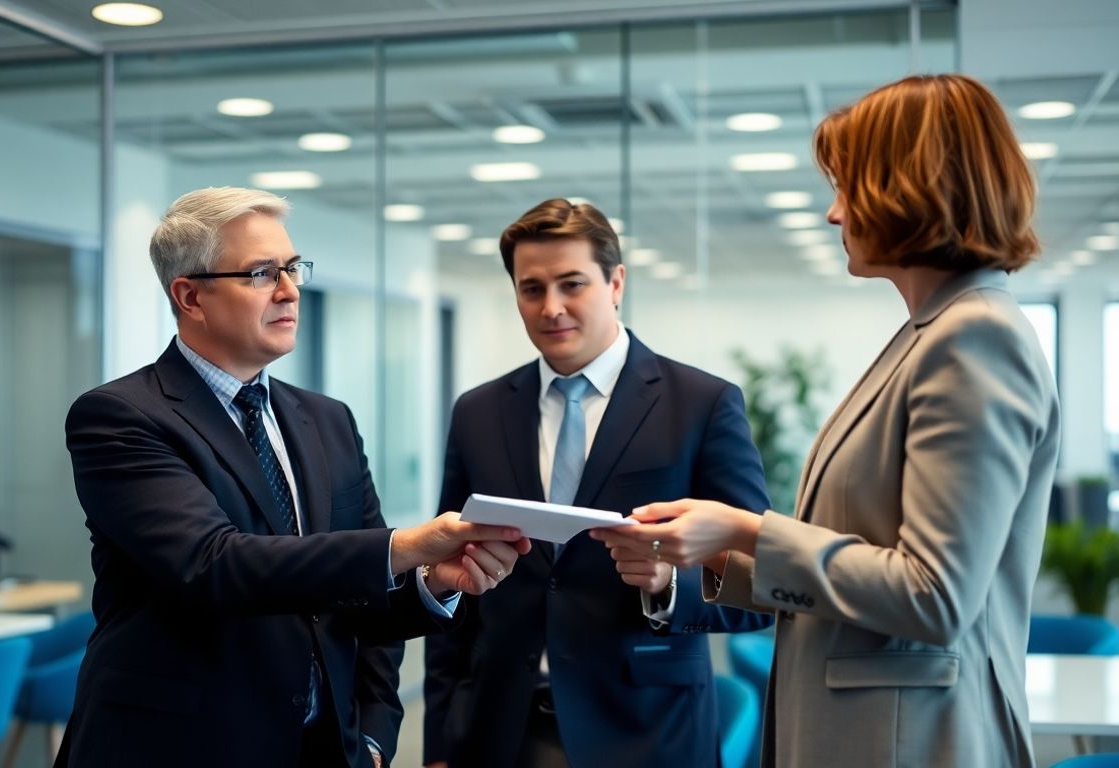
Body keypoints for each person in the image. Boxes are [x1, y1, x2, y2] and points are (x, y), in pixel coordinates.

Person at [593, 73, 1060, 768]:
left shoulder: (973, 340)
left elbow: (932, 597)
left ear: (912, 189)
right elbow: (864, 556)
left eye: (847, 187)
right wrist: (711, 556)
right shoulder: (928, 335)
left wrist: (743, 526)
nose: (833, 214)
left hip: (912, 740)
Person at [59, 187, 531, 768]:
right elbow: (217, 566)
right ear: (190, 296)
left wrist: (432, 585)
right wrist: (407, 546)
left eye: (290, 268)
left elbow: (360, 600)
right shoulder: (122, 416)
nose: (289, 290)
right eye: (261, 273)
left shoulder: (327, 420)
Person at [423, 198, 773, 768]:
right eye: (531, 288)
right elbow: (452, 579)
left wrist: (668, 584)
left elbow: (760, 585)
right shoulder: (479, 412)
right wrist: (438, 738)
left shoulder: (701, 404)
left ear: (615, 283)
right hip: (496, 727)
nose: (552, 307)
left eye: (572, 284)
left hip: (646, 729)